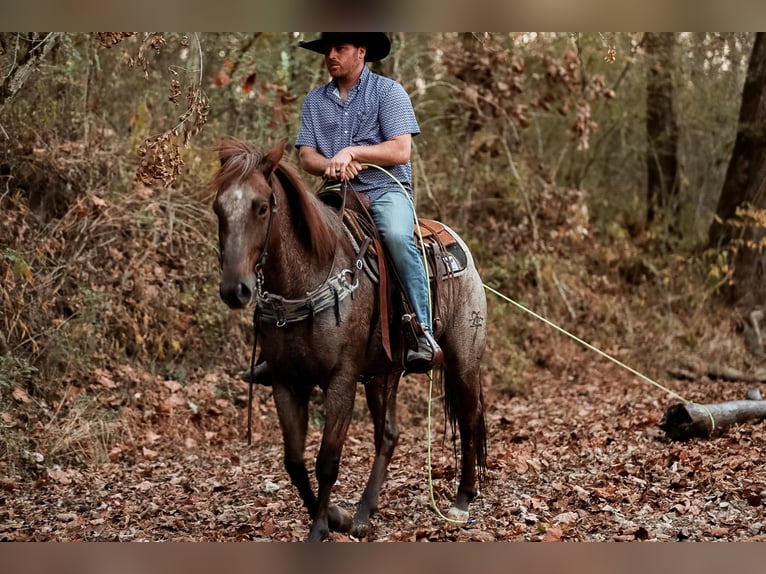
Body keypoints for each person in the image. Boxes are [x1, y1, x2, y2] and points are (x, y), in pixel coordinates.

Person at [242, 32, 438, 386]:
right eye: (328, 50)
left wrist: (353, 153)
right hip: (333, 193)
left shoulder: (388, 92)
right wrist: (330, 164)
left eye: (340, 48)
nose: (331, 55)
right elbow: (306, 156)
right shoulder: (315, 100)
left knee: (395, 235)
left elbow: (399, 151)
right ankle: (275, 346)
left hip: (384, 190)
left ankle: (420, 329)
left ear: (360, 52)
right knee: (284, 236)